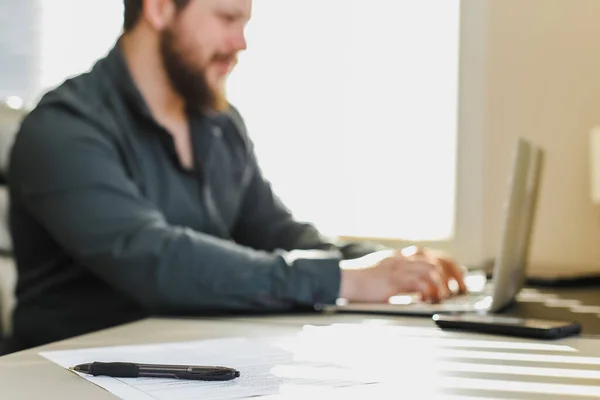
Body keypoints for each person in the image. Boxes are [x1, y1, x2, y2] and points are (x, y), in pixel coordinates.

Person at [7, 0, 467, 349]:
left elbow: (277, 234)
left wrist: (393, 266)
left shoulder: (220, 126)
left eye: (244, 23)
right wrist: (344, 280)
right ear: (159, 8)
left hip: (196, 365)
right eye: (227, 19)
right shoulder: (63, 129)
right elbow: (155, 259)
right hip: (73, 375)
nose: (241, 43)